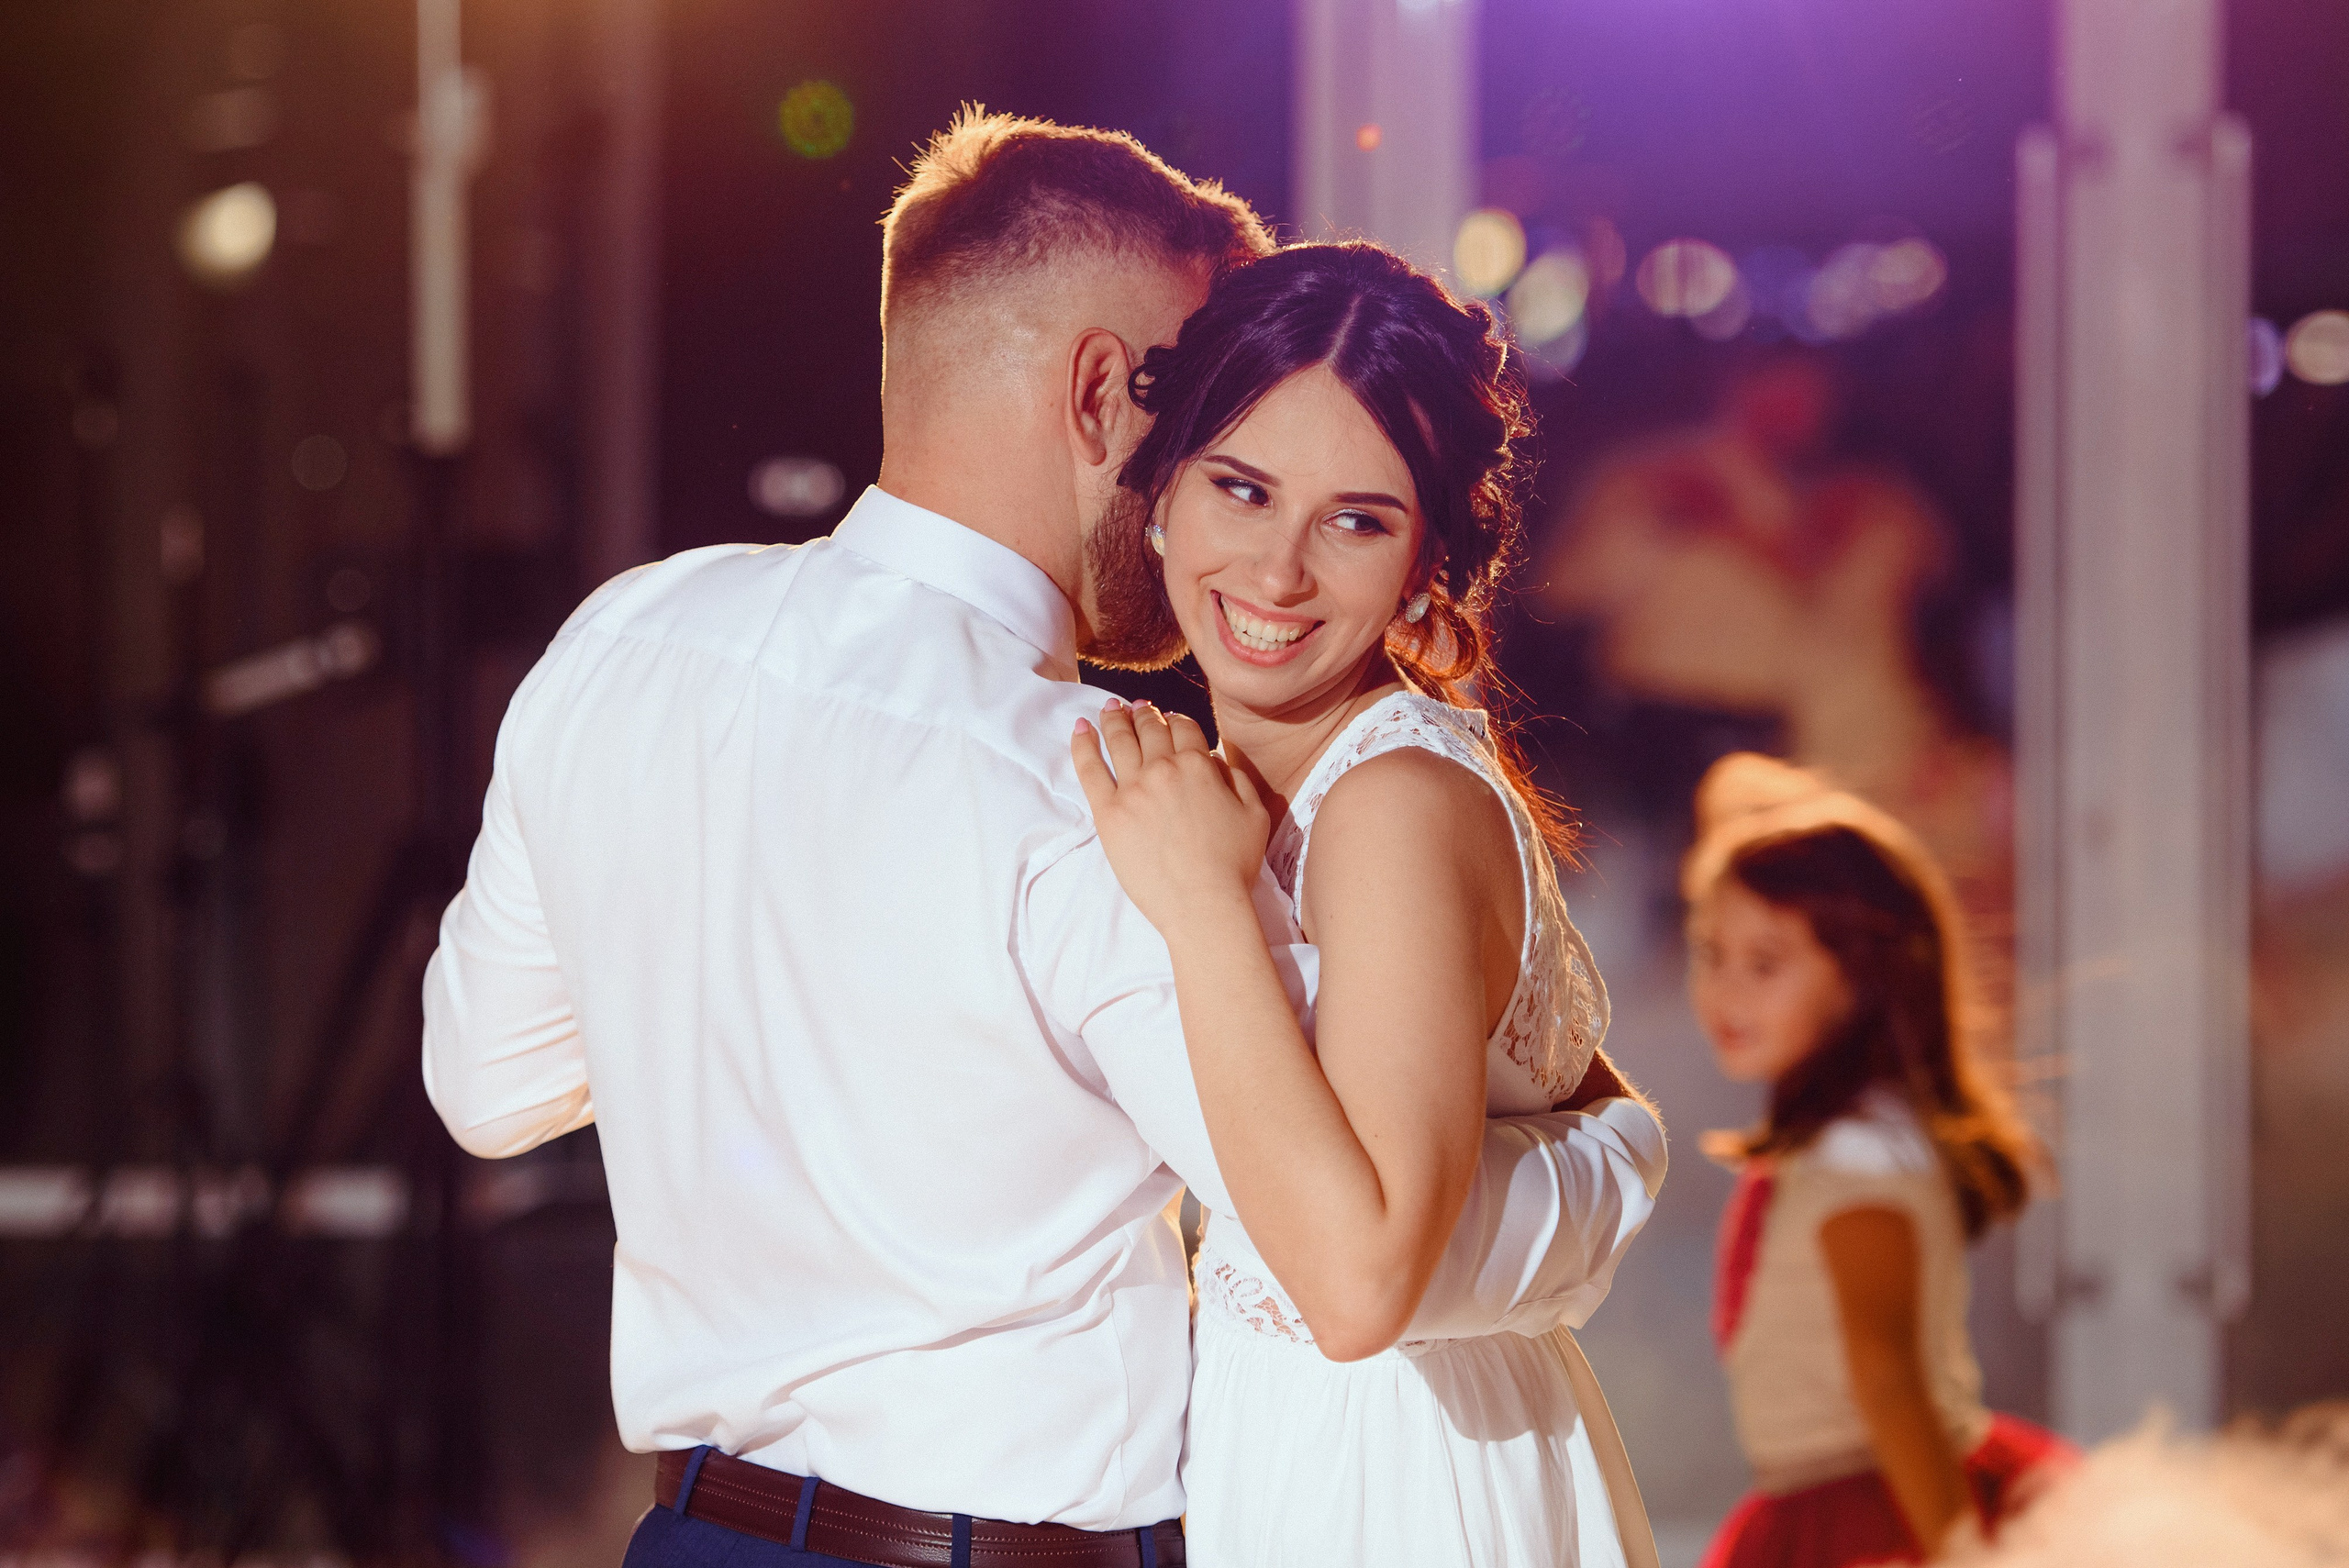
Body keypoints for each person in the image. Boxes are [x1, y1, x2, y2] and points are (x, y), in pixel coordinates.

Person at [421, 111, 1665, 1568]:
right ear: (1100, 398)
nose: (1258, 540)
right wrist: (1623, 1155)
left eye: (1349, 514)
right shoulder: (1103, 789)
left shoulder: (625, 638)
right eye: (1210, 431)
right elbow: (1357, 1253)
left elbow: (487, 1089)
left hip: (701, 1536)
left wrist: (739, 1010)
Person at [1071, 241, 1664, 1567]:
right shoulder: (1280, 782)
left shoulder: (1390, 802)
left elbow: (1356, 1289)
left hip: (1389, 1478)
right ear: (1162, 491)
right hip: (1306, 1443)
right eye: (1241, 488)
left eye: (1355, 521)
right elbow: (1596, 1110)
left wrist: (1205, 908)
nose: (1278, 572)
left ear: (1424, 563)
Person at [1676, 753, 2072, 1567]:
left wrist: (1959, 1555)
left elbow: (1890, 1380)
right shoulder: (1832, 1144)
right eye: (1710, 951)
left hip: (1867, 1514)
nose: (1725, 989)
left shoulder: (1858, 1158)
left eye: (1764, 963)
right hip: (1829, 1492)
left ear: (1863, 976)